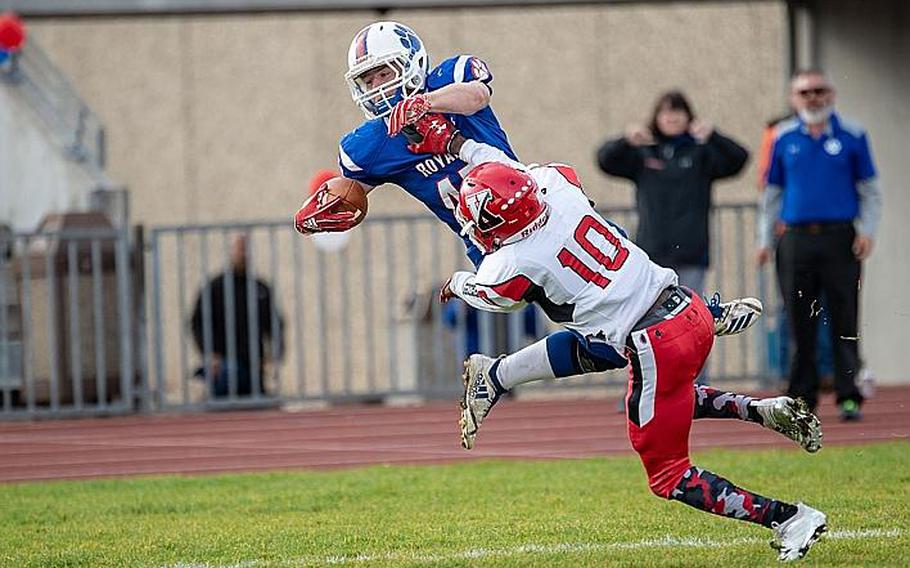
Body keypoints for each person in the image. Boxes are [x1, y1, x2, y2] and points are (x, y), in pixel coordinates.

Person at [409, 117, 826, 562]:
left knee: (667, 475)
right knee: (626, 364)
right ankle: (758, 407)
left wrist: (457, 281)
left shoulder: (510, 263)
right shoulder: (555, 185)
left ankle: (790, 518)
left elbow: (497, 298)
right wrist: (456, 142)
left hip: (654, 340)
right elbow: (505, 164)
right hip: (685, 306)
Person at [293, 20, 514, 268]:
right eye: (368, 81)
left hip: (526, 206)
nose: (377, 88)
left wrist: (427, 102)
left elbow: (478, 95)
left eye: (384, 74)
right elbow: (349, 193)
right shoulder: (370, 144)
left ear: (413, 63)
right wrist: (318, 207)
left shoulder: (449, 80)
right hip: (486, 249)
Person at [757, 69, 882, 421]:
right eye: (805, 92)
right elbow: (771, 194)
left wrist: (867, 230)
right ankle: (801, 396)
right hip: (795, 239)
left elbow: (870, 190)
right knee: (799, 319)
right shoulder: (783, 138)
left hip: (840, 237)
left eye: (819, 90)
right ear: (793, 98)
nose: (813, 98)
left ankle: (848, 393)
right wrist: (763, 239)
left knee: (844, 315)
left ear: (831, 94)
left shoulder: (852, 135)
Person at [596, 91, 749, 295]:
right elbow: (605, 160)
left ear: (688, 117)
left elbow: (739, 158)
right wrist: (626, 139)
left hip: (691, 253)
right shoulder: (645, 154)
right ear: (656, 117)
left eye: (677, 111)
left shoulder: (701, 153)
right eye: (665, 112)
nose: (672, 118)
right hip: (651, 253)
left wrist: (714, 135)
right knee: (652, 315)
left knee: (689, 313)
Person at [191, 234, 284, 398]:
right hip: (223, 363)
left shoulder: (259, 287)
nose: (243, 254)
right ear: (231, 252)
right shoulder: (215, 287)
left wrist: (275, 355)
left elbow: (275, 323)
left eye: (246, 250)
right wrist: (210, 353)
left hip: (253, 364)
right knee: (228, 382)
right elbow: (198, 322)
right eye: (240, 249)